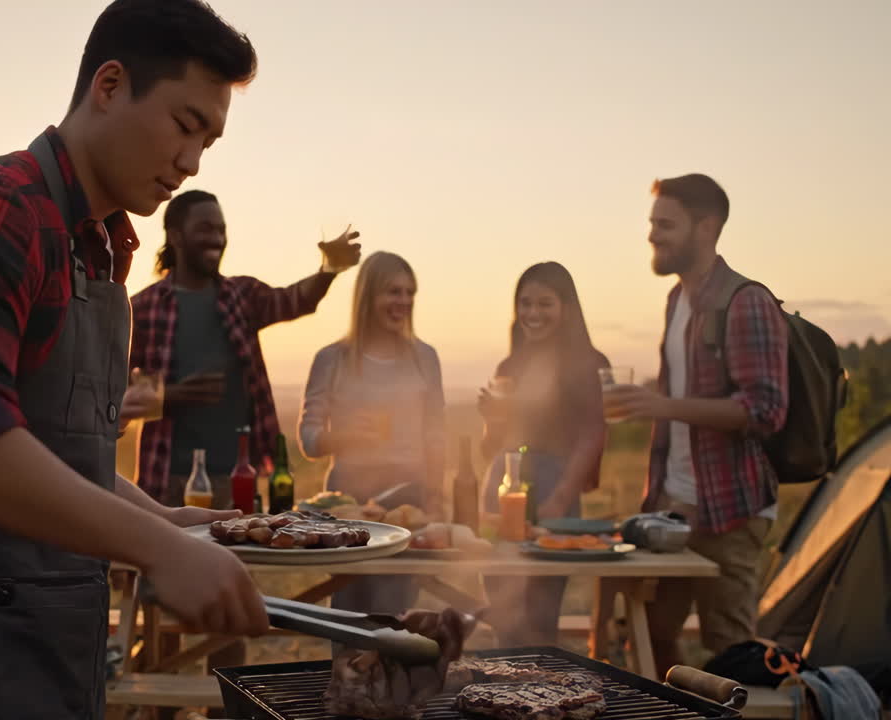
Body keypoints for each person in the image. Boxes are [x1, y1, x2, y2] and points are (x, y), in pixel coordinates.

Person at [0, 2, 271, 718]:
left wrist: (169, 521)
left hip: (54, 644)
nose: (190, 163)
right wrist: (156, 550)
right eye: (186, 126)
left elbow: (52, 447)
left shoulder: (100, 248)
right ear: (111, 84)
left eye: (208, 145)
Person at [604, 174, 788, 675]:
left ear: (705, 228)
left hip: (731, 510)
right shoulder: (676, 301)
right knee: (654, 635)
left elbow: (765, 410)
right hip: (674, 507)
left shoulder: (745, 301)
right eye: (651, 223)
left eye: (665, 224)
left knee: (729, 654)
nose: (652, 235)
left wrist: (661, 406)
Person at [129, 189, 361, 507]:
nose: (217, 238)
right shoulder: (142, 308)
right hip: (167, 481)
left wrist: (328, 270)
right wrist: (173, 395)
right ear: (176, 236)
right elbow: (118, 393)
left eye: (221, 229)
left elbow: (294, 300)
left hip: (235, 480)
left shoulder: (240, 295)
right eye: (205, 229)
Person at [298, 251, 446, 615]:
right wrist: (344, 435)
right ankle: (345, 673)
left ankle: (387, 673)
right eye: (393, 292)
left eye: (410, 293)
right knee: (348, 611)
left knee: (391, 614)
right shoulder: (331, 359)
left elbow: (436, 437)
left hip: (407, 507)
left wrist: (437, 499)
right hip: (346, 505)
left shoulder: (425, 357)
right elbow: (309, 440)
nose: (404, 302)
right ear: (368, 296)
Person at [477, 261, 610, 647]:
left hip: (555, 484)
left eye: (544, 304)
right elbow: (492, 448)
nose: (533, 314)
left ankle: (545, 698)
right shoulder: (510, 364)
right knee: (504, 612)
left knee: (540, 614)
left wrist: (561, 498)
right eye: (525, 303)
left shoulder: (588, 362)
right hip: (502, 486)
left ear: (567, 307)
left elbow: (592, 434)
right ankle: (506, 697)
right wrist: (492, 420)